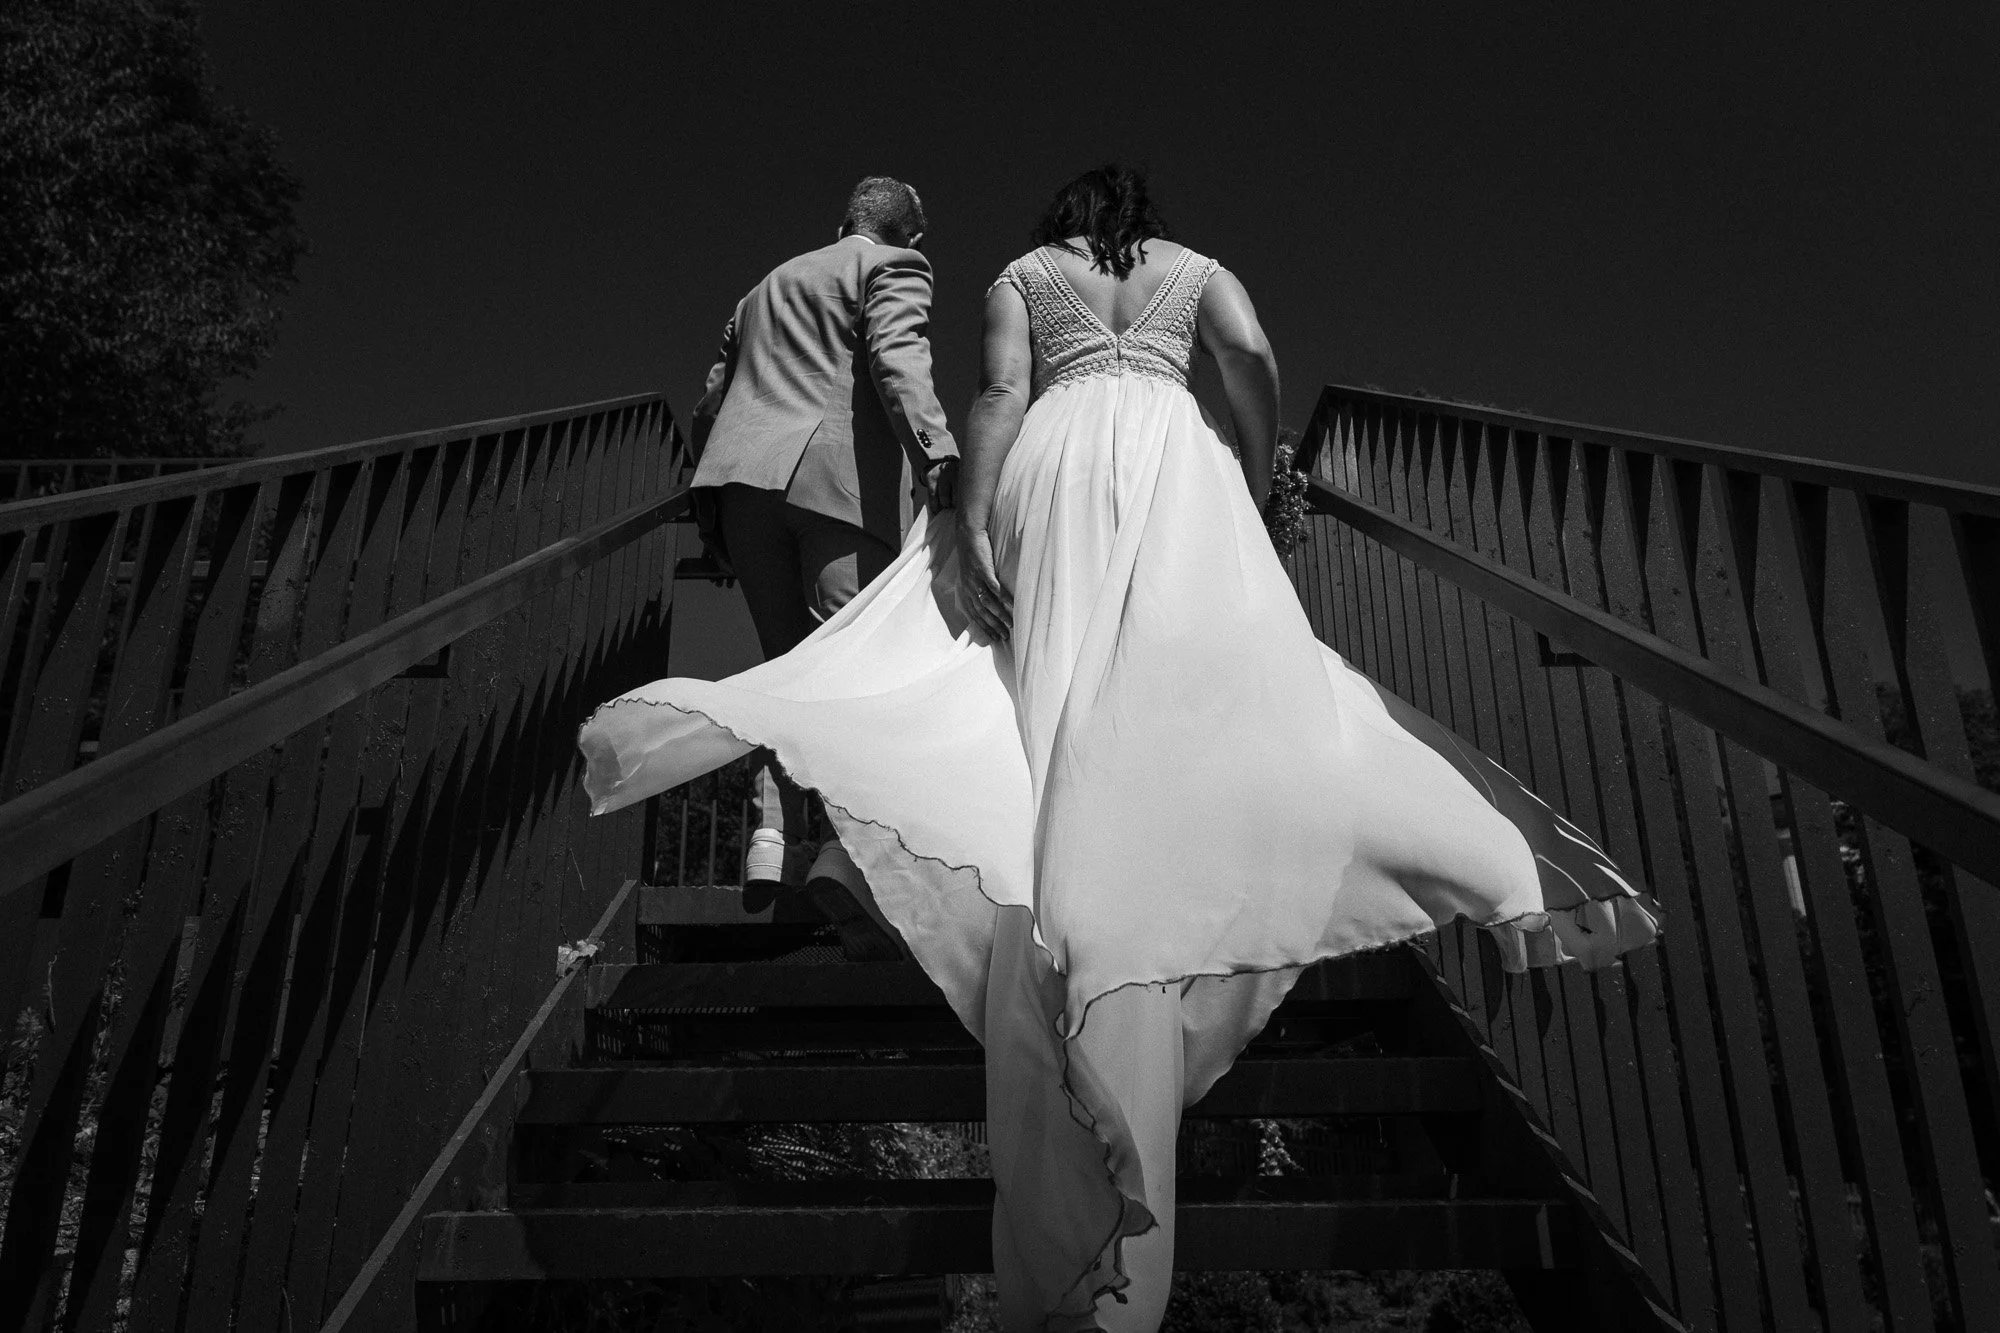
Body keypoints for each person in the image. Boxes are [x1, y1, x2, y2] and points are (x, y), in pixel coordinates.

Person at [580, 165, 1658, 1332]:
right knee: (1199, 693)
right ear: (1139, 224)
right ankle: (1352, 869)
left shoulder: (1021, 277)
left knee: (1032, 698)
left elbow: (997, 393)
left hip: (1052, 465)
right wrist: (1255, 472)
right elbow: (1246, 357)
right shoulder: (1195, 273)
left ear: (1059, 229)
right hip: (1173, 468)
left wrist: (976, 520)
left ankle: (1016, 908)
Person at [683, 175, 959, 919]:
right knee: (854, 673)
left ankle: (770, 835)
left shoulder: (761, 289)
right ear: (912, 235)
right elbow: (896, 360)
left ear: (845, 221)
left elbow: (712, 400)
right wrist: (937, 455)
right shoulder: (893, 267)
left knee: (787, 671)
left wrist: (707, 504)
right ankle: (853, 861)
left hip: (743, 493)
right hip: (835, 489)